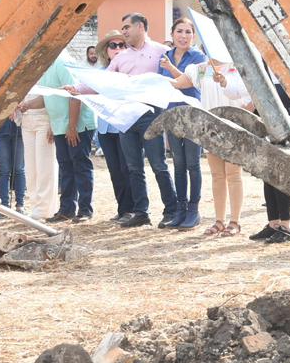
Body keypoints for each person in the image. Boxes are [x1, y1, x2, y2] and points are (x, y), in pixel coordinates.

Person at [108, 12, 178, 228]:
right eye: (123, 28)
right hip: (127, 117)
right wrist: (77, 89)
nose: (124, 32)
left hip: (151, 114)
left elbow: (177, 75)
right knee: (133, 167)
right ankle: (141, 213)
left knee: (158, 164)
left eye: (127, 27)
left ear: (140, 27)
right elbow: (103, 81)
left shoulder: (162, 51)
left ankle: (172, 210)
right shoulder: (120, 58)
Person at [170, 55, 251, 238]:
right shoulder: (199, 69)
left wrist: (242, 122)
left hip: (234, 127)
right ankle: (219, 221)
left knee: (233, 175)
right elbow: (177, 83)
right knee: (217, 176)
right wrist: (151, 80)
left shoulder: (237, 65)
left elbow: (249, 98)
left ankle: (235, 222)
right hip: (210, 128)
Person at [28, 55, 96, 222]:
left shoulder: (62, 62)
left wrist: (72, 126)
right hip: (60, 126)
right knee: (66, 168)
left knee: (80, 166)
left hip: (77, 125)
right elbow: (46, 98)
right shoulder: (46, 65)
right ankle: (67, 209)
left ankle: (85, 210)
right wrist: (26, 105)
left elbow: (75, 94)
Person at [158, 17, 208, 229]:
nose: (183, 36)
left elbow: (190, 83)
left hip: (192, 116)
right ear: (172, 34)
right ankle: (180, 209)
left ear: (193, 36)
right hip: (171, 116)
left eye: (188, 32)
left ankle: (194, 211)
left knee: (193, 164)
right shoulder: (165, 57)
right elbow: (160, 85)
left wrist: (170, 69)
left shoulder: (199, 57)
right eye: (179, 31)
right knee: (178, 165)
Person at [248, 80, 290, 244]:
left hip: (283, 118)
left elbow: (288, 96)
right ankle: (274, 223)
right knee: (267, 175)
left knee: (280, 175)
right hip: (263, 118)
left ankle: (286, 227)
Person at [94, 31, 136, 222]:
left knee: (128, 168)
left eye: (122, 45)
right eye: (113, 45)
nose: (117, 49)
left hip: (125, 126)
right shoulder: (100, 73)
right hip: (105, 127)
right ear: (106, 50)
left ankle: (133, 209)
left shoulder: (130, 72)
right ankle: (122, 208)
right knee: (115, 171)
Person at [16, 87, 58, 220]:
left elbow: (50, 97)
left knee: (44, 166)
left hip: (44, 119)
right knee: (30, 168)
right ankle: (35, 204)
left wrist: (53, 123)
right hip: (26, 120)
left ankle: (44, 208)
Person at [0, 106, 26, 214]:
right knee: (4, 170)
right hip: (0, 130)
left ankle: (20, 205)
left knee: (19, 169)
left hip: (19, 129)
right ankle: (4, 205)